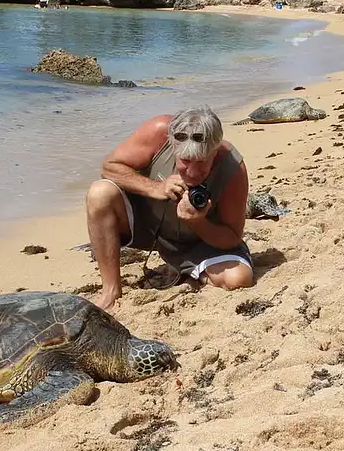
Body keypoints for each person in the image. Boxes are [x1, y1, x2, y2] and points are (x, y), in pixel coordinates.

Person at [85, 106, 255, 310]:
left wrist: (197, 221)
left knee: (239, 279)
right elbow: (109, 167)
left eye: (202, 162)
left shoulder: (232, 166)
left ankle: (191, 272)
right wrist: (155, 187)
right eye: (185, 161)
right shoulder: (158, 132)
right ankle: (111, 290)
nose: (192, 172)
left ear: (215, 152)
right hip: (151, 228)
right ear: (173, 145)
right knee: (99, 193)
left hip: (200, 243)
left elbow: (232, 237)